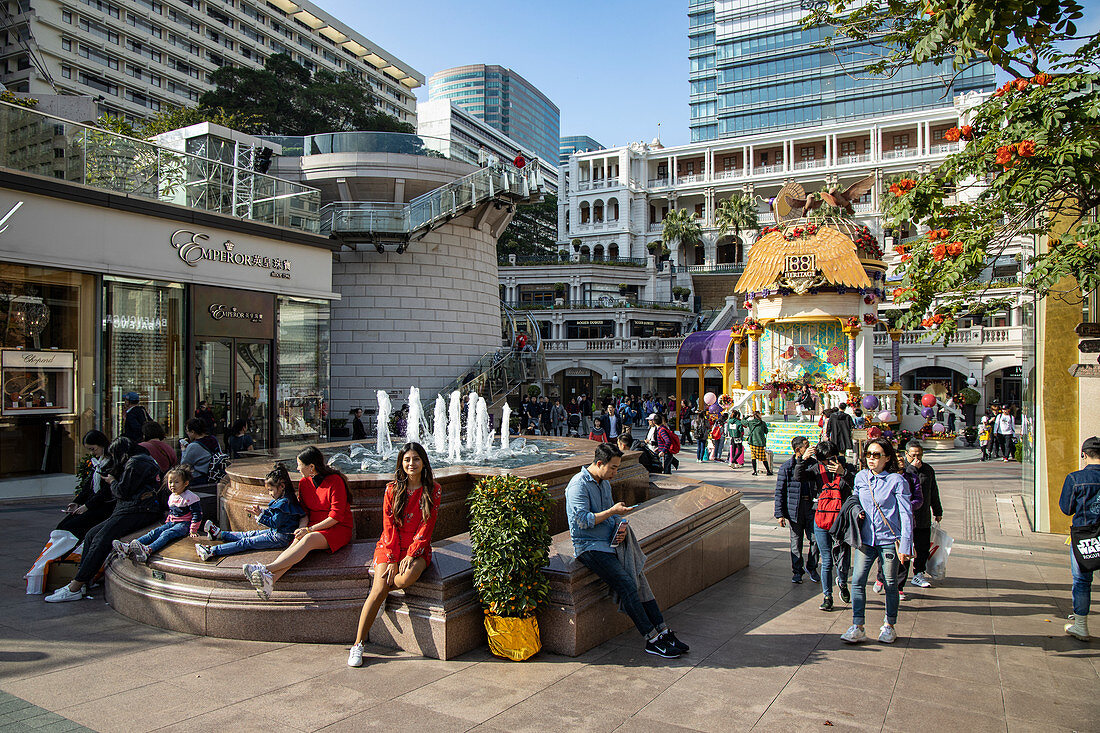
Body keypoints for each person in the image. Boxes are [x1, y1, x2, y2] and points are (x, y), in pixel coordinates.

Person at [566, 443, 688, 658]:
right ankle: (651, 638)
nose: (615, 472)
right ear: (599, 463)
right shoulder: (578, 485)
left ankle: (663, 630)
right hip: (589, 546)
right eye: (613, 468)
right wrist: (613, 511)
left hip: (610, 541)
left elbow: (610, 516)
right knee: (626, 583)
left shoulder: (603, 482)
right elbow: (582, 521)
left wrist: (618, 526)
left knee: (640, 580)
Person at [349, 442, 441, 666]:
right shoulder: (392, 489)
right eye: (407, 459)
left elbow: (427, 525)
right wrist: (391, 558)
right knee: (378, 588)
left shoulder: (433, 489)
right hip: (389, 545)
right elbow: (388, 525)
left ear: (423, 462)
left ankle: (382, 597)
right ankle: (358, 645)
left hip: (417, 548)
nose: (412, 463)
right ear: (401, 462)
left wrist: (411, 553)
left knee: (406, 578)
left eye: (416, 459)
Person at [45, 438, 163, 602]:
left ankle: (76, 586)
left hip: (137, 510)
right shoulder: (142, 459)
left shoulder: (135, 463)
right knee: (91, 535)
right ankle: (83, 581)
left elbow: (122, 491)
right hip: (137, 508)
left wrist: (112, 481)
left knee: (100, 538)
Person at [242, 446, 353, 599]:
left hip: (337, 528)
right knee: (298, 540)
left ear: (311, 467)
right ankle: (271, 580)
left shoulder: (335, 481)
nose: (297, 468)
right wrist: (302, 528)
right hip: (313, 526)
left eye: (299, 465)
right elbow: (304, 512)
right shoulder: (303, 483)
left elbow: (336, 517)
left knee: (307, 539)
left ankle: (266, 569)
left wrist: (309, 530)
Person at [840, 438, 913, 644]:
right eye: (869, 454)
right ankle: (858, 625)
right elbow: (855, 498)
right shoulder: (861, 477)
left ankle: (889, 624)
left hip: (889, 539)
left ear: (887, 458)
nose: (871, 459)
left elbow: (906, 514)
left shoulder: (896, 481)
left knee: (890, 583)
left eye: (876, 455)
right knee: (858, 580)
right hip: (866, 539)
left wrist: (906, 544)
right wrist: (857, 511)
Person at [26, 430, 113, 593]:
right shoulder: (97, 462)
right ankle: (43, 564)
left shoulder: (110, 463)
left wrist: (86, 507)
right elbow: (88, 487)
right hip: (93, 506)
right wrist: (76, 502)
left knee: (71, 528)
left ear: (102, 445)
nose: (91, 453)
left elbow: (105, 493)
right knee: (63, 525)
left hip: (103, 509)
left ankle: (49, 565)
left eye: (93, 449)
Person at [196, 463, 306, 561]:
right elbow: (276, 517)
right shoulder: (284, 500)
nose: (270, 494)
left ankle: (212, 551)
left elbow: (275, 522)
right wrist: (261, 512)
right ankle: (220, 534)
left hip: (280, 537)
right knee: (249, 534)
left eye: (271, 490)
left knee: (247, 542)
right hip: (276, 533)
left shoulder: (284, 503)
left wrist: (261, 515)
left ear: (282, 486)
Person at [113, 464, 202, 563]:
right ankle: (129, 547)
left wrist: (193, 530)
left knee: (166, 534)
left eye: (176, 482)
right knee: (154, 532)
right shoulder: (172, 496)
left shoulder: (190, 497)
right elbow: (172, 512)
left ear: (185, 483)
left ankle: (149, 550)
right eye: (170, 482)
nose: (172, 485)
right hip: (172, 522)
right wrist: (168, 521)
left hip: (184, 524)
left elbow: (197, 514)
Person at [1059, 436, 1100, 641]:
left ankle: (1081, 626)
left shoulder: (1075, 479)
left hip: (1085, 536)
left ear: (1083, 455)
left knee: (1082, 580)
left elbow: (1066, 509)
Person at [809, 441, 854, 610]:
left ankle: (842, 582)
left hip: (841, 521)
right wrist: (801, 459)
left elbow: (857, 486)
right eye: (825, 460)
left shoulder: (847, 467)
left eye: (832, 458)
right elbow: (799, 476)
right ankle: (827, 596)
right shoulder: (817, 470)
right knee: (827, 560)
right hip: (822, 518)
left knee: (843, 557)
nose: (829, 463)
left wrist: (844, 473)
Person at [775, 437, 821, 585]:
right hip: (794, 508)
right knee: (796, 541)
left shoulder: (814, 465)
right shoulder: (787, 467)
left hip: (812, 506)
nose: (810, 449)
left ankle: (812, 567)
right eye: (806, 447)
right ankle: (797, 571)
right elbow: (780, 491)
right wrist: (779, 514)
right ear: (797, 450)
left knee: (815, 539)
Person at [903, 441, 943, 589]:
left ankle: (919, 573)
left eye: (919, 455)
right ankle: (898, 579)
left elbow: (933, 491)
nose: (917, 458)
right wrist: (912, 468)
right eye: (913, 455)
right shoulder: (903, 470)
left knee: (922, 547)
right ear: (906, 454)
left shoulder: (927, 470)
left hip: (923, 516)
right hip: (906, 517)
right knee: (905, 548)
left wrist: (937, 511)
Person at [180, 418, 221, 483]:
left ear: (193, 432)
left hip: (199, 479)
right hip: (214, 476)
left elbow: (184, 465)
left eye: (187, 431)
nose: (187, 433)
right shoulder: (213, 439)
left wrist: (184, 450)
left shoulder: (193, 446)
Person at [744, 410, 772, 475]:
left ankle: (755, 471)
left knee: (753, 457)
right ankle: (768, 471)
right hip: (760, 442)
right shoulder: (762, 423)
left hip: (752, 442)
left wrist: (747, 416)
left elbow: (743, 421)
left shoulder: (750, 422)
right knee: (763, 457)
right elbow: (766, 431)